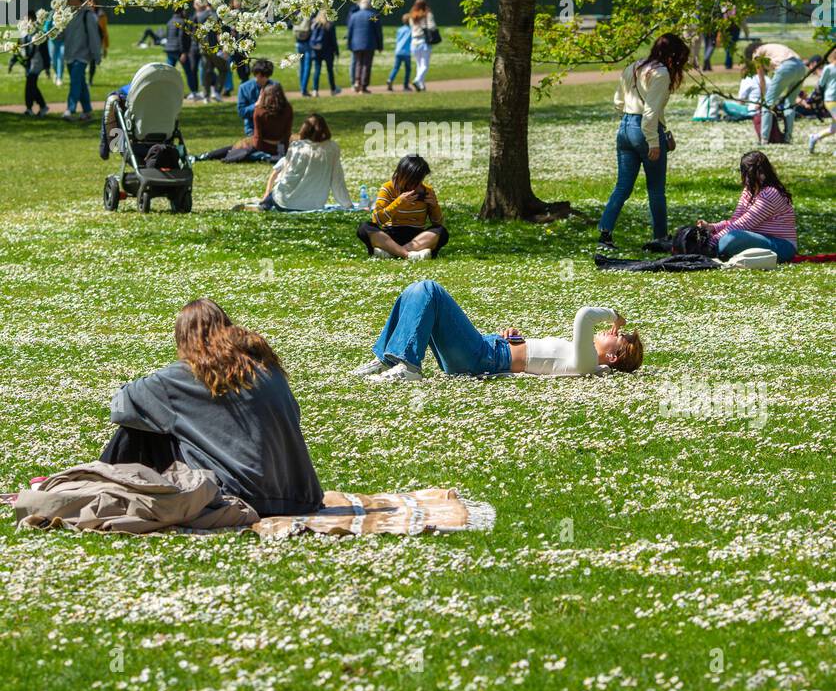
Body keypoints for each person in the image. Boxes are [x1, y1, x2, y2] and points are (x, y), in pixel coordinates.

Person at [99, 298, 323, 516]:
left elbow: (120, 407)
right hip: (300, 496)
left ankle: (102, 490)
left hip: (240, 494)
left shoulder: (187, 374)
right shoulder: (266, 367)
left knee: (138, 427)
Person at [353, 283, 643, 383]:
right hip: (489, 348)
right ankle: (388, 359)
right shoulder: (585, 358)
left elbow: (584, 316)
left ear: (614, 356)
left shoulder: (589, 363)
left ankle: (410, 367)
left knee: (430, 290)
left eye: (616, 334)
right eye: (615, 328)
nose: (610, 329)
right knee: (416, 291)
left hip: (483, 357)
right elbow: (537, 358)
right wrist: (515, 338)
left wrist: (614, 314)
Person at [598, 33, 690, 249]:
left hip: (625, 128)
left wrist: (630, 120)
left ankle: (605, 234)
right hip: (645, 130)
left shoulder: (633, 66)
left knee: (622, 187)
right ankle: (660, 237)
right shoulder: (661, 73)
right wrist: (653, 142)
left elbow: (618, 102)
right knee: (656, 189)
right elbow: (650, 112)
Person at [698, 150, 797, 262]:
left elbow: (745, 223)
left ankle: (712, 250)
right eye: (755, 171)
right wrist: (713, 227)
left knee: (731, 239)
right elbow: (736, 221)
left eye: (761, 171)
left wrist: (712, 241)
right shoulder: (749, 191)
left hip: (782, 246)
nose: (759, 175)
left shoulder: (770, 193)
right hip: (758, 238)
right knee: (729, 237)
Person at [241, 113, 353, 211]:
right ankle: (264, 204)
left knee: (275, 194)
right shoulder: (332, 148)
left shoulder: (296, 146)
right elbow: (337, 181)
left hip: (285, 202)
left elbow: (286, 174)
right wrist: (347, 204)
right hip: (313, 204)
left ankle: (264, 204)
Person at [357, 154, 449, 260]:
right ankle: (407, 255)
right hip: (389, 236)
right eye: (413, 181)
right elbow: (376, 220)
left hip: (417, 237)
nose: (417, 185)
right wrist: (398, 203)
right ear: (402, 175)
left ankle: (391, 253)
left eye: (420, 180)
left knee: (441, 231)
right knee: (364, 227)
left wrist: (434, 206)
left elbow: (437, 223)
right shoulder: (388, 188)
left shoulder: (427, 191)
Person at [194, 81, 292, 163]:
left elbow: (258, 137)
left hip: (262, 147)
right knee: (240, 148)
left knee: (234, 149)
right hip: (278, 148)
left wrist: (255, 148)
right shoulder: (288, 109)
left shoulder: (259, 111)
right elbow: (287, 134)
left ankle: (205, 156)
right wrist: (284, 150)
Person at [743, 39, 807, 145]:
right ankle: (787, 138)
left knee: (767, 104)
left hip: (786, 66)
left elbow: (762, 80)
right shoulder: (771, 48)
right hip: (800, 66)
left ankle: (764, 140)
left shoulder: (756, 53)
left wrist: (762, 99)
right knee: (790, 104)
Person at [61, 0, 102, 122]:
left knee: (75, 82)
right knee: (81, 84)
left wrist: (97, 55)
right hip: (69, 55)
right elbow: (59, 37)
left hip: (82, 56)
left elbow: (94, 37)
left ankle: (70, 109)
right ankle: (87, 111)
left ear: (77, 0)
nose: (68, 2)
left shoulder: (88, 15)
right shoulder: (67, 15)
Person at [347, 0, 383, 92]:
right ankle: (363, 86)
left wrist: (349, 44)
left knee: (358, 63)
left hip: (356, 44)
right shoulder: (373, 15)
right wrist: (380, 45)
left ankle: (357, 82)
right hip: (369, 44)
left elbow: (349, 31)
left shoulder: (354, 16)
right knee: (366, 65)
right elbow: (378, 32)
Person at [163, 7, 199, 99]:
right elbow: (181, 38)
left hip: (169, 50)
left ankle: (165, 91)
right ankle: (194, 92)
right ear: (181, 11)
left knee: (168, 73)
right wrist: (184, 52)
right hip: (179, 51)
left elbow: (168, 37)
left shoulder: (169, 21)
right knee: (189, 72)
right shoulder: (182, 22)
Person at [20, 12, 50, 117]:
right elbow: (19, 47)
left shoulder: (38, 33)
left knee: (30, 84)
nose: (25, 22)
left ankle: (31, 108)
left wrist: (47, 67)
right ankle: (41, 107)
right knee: (32, 86)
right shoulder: (23, 33)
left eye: (27, 19)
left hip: (37, 63)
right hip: (28, 64)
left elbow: (45, 51)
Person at [405, 0, 437, 91]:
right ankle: (417, 80)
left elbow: (411, 27)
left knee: (419, 65)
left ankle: (421, 86)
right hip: (424, 42)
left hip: (414, 42)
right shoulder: (427, 14)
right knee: (425, 65)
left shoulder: (412, 15)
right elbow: (432, 27)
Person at [808, 50, 836, 152]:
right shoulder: (828, 68)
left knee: (834, 129)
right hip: (831, 99)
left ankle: (814, 137)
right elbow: (821, 84)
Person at [309, 11, 341, 96]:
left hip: (316, 50)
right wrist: (337, 51)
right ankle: (333, 90)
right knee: (330, 71)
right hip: (328, 51)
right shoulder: (330, 25)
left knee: (317, 70)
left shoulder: (314, 25)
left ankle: (315, 90)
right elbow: (333, 40)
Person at [386, 21, 413, 91]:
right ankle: (406, 85)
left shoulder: (400, 29)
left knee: (396, 68)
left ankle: (390, 79)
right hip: (406, 52)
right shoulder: (410, 29)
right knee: (408, 69)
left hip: (398, 51)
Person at [88, 0, 109, 86]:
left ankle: (90, 80)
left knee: (93, 62)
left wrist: (105, 47)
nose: (91, 4)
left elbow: (104, 32)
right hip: (86, 41)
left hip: (97, 42)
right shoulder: (84, 14)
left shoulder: (101, 15)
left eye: (92, 2)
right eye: (89, 2)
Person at [293, 14, 314, 96]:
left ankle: (302, 87)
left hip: (298, 43)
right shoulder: (310, 15)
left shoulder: (298, 15)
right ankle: (303, 89)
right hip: (307, 44)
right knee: (307, 67)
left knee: (301, 66)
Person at [44, 10, 65, 86]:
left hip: (63, 40)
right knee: (53, 60)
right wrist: (48, 32)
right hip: (52, 41)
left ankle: (59, 77)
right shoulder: (51, 14)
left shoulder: (65, 13)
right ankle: (56, 73)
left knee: (61, 57)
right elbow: (46, 27)